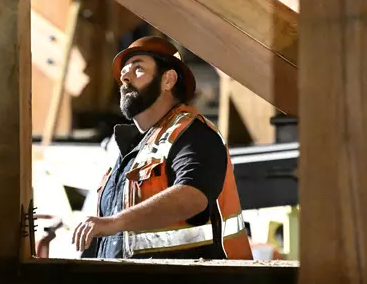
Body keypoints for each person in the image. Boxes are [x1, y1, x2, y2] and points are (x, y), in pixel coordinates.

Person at [72, 36, 253, 260]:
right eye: (123, 73)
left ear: (168, 80)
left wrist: (114, 223)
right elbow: (108, 234)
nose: (125, 78)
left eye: (138, 68)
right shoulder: (132, 151)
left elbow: (191, 196)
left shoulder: (193, 134)